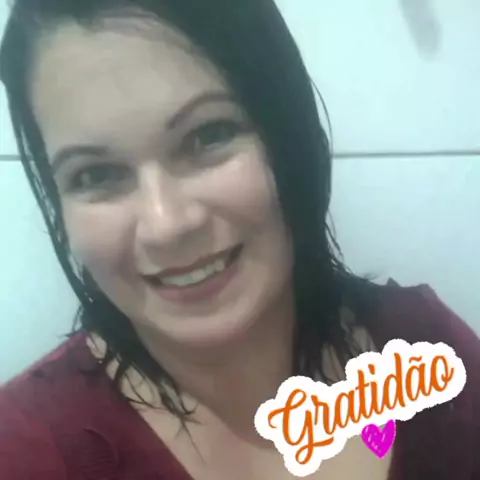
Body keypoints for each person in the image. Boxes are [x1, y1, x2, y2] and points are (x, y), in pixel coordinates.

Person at [0, 0, 478, 479]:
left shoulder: (426, 347)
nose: (167, 224)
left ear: (289, 134)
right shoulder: (25, 448)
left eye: (209, 134)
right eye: (95, 174)